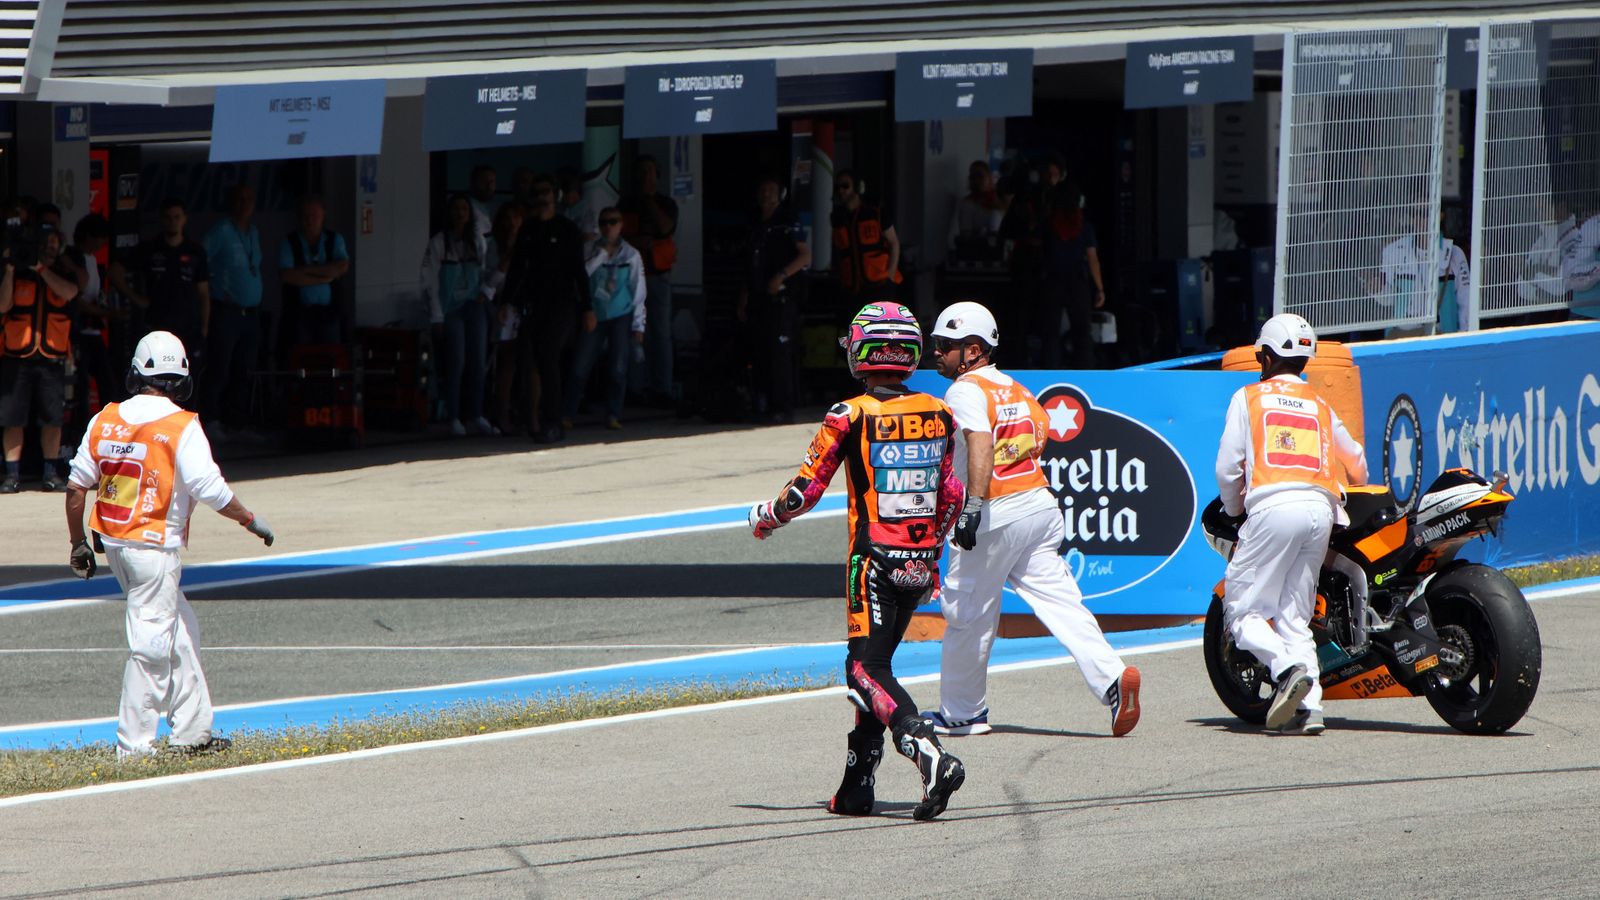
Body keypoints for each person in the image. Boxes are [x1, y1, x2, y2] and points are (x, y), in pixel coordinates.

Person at [748, 302, 967, 821]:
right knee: (877, 671)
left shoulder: (848, 414)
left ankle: (928, 751)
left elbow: (803, 492)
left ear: (861, 352)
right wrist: (930, 551)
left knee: (861, 669)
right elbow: (953, 495)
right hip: (918, 563)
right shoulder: (939, 413)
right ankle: (855, 788)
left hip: (871, 562)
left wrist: (767, 517)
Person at [923, 301, 1142, 738]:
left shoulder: (965, 390)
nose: (937, 353)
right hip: (1039, 507)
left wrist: (973, 505)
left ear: (973, 350)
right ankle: (1113, 679)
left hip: (994, 513)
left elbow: (980, 442)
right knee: (1063, 604)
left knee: (967, 614)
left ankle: (963, 714)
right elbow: (1038, 439)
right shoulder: (1017, 389)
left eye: (946, 345)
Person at [63, 330, 275, 760]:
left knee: (182, 632)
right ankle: (134, 748)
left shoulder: (106, 418)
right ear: (182, 380)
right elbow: (210, 489)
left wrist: (77, 543)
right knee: (152, 647)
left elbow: (75, 487)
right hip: (153, 549)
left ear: (135, 374)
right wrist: (249, 519)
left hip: (116, 545)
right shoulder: (182, 425)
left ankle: (193, 731)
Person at [1215, 313, 1368, 735]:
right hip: (1321, 512)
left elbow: (1228, 468)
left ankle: (1286, 669)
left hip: (1273, 509)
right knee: (1294, 617)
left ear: (1265, 357)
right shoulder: (1319, 402)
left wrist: (1234, 510)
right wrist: (1360, 485)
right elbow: (1355, 459)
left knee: (1242, 613)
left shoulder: (1249, 398)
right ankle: (1310, 708)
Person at [499, 175, 591, 442]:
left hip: (561, 304)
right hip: (533, 303)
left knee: (548, 357)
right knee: (530, 359)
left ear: (555, 195)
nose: (542, 197)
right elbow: (517, 268)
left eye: (546, 192)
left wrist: (588, 307)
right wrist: (507, 301)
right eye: (537, 192)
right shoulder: (528, 230)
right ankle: (532, 418)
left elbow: (579, 271)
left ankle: (553, 421)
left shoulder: (567, 229)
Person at [0, 229, 81, 493]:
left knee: (53, 419)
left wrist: (42, 269)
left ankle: (50, 473)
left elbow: (70, 292)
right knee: (13, 418)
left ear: (60, 247)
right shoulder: (16, 271)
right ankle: (12, 475)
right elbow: (2, 306)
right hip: (17, 356)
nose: (48, 247)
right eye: (44, 243)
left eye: (53, 243)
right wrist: (10, 270)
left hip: (51, 358)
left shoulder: (64, 273)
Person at [737, 176, 811, 423]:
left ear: (780, 194)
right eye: (763, 190)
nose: (767, 194)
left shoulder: (788, 220)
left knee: (779, 352)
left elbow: (805, 255)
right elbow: (748, 265)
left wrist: (781, 276)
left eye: (771, 190)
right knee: (758, 350)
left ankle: (783, 406)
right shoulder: (754, 223)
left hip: (782, 298)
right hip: (757, 297)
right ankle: (763, 403)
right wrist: (743, 298)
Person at [421, 194, 495, 437]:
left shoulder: (477, 241)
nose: (460, 213)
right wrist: (436, 316)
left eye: (465, 209)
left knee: (478, 362)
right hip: (450, 309)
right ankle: (454, 415)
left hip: (473, 306)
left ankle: (476, 414)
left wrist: (486, 293)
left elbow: (486, 272)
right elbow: (429, 281)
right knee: (457, 362)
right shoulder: (439, 242)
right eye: (456, 209)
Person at [565, 207, 645, 431]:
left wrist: (639, 325)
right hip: (595, 314)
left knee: (618, 368)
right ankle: (568, 412)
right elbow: (581, 276)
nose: (608, 227)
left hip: (621, 314)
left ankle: (613, 413)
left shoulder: (631, 255)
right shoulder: (590, 250)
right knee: (580, 366)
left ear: (621, 225)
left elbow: (638, 291)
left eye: (613, 222)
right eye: (604, 223)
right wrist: (600, 255)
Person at [201, 185, 264, 439]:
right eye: (239, 199)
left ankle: (237, 423)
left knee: (244, 369)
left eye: (248, 199)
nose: (244, 203)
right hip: (226, 311)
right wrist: (214, 286)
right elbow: (200, 260)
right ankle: (211, 419)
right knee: (220, 367)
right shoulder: (221, 231)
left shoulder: (253, 232)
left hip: (251, 313)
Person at [118, 198, 210, 369]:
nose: (172, 221)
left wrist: (204, 329)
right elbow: (115, 270)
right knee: (158, 374)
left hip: (188, 328)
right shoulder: (149, 249)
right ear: (161, 219)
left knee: (190, 375)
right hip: (156, 326)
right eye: (168, 217)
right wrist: (136, 298)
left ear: (184, 219)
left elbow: (203, 293)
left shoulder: (195, 251)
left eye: (177, 217)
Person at [619, 156, 679, 405]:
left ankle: (662, 388)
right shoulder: (626, 203)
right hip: (631, 278)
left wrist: (650, 200)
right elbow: (618, 236)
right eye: (641, 172)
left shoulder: (666, 203)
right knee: (634, 332)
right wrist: (638, 242)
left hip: (658, 275)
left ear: (657, 175)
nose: (646, 176)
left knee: (661, 333)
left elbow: (666, 228)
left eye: (650, 171)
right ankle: (635, 388)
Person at [60, 214, 124, 442]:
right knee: (80, 387)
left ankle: (112, 427)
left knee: (108, 382)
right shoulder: (71, 257)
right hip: (77, 333)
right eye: (100, 238)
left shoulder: (93, 259)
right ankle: (80, 434)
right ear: (88, 236)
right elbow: (76, 296)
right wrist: (105, 313)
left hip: (93, 332)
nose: (102, 244)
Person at [1038, 177, 1106, 368]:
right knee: (1082, 330)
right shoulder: (1084, 226)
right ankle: (1085, 369)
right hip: (1077, 281)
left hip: (1052, 281)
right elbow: (1092, 258)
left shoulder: (1047, 225)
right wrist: (1100, 288)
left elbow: (1039, 251)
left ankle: (1050, 370)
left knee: (1051, 332)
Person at [1371, 207, 1470, 336]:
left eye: (1424, 213)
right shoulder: (1393, 251)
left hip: (1442, 335)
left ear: (1439, 215)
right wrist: (1378, 289)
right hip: (1403, 335)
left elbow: (1466, 300)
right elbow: (1388, 300)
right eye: (1414, 213)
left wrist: (1463, 335)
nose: (1418, 218)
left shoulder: (1454, 253)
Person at [278, 194, 351, 349]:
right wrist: (324, 277)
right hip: (300, 315)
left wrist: (306, 270)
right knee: (301, 357)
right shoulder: (289, 241)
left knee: (330, 356)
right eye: (306, 215)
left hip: (330, 313)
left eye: (314, 215)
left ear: (323, 215)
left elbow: (342, 267)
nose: (309, 220)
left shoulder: (334, 239)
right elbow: (288, 276)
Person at [830, 169, 902, 304]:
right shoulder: (837, 219)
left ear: (857, 188)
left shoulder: (876, 213)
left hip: (880, 285)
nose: (841, 190)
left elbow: (894, 243)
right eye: (837, 187)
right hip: (852, 288)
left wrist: (890, 274)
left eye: (845, 186)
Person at [486, 203, 524, 435]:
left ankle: (519, 409)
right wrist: (508, 255)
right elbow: (492, 282)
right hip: (502, 306)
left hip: (524, 305)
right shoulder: (493, 246)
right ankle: (500, 412)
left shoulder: (528, 243)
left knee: (524, 361)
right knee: (506, 361)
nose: (512, 223)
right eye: (508, 218)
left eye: (516, 217)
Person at [947, 160, 1006, 253]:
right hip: (978, 252)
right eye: (972, 177)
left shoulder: (1000, 199)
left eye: (980, 176)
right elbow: (966, 235)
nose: (976, 181)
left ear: (989, 178)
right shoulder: (967, 203)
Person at [468, 164, 498, 239]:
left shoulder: (498, 206)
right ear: (474, 183)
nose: (489, 186)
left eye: (492, 182)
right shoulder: (467, 207)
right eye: (484, 181)